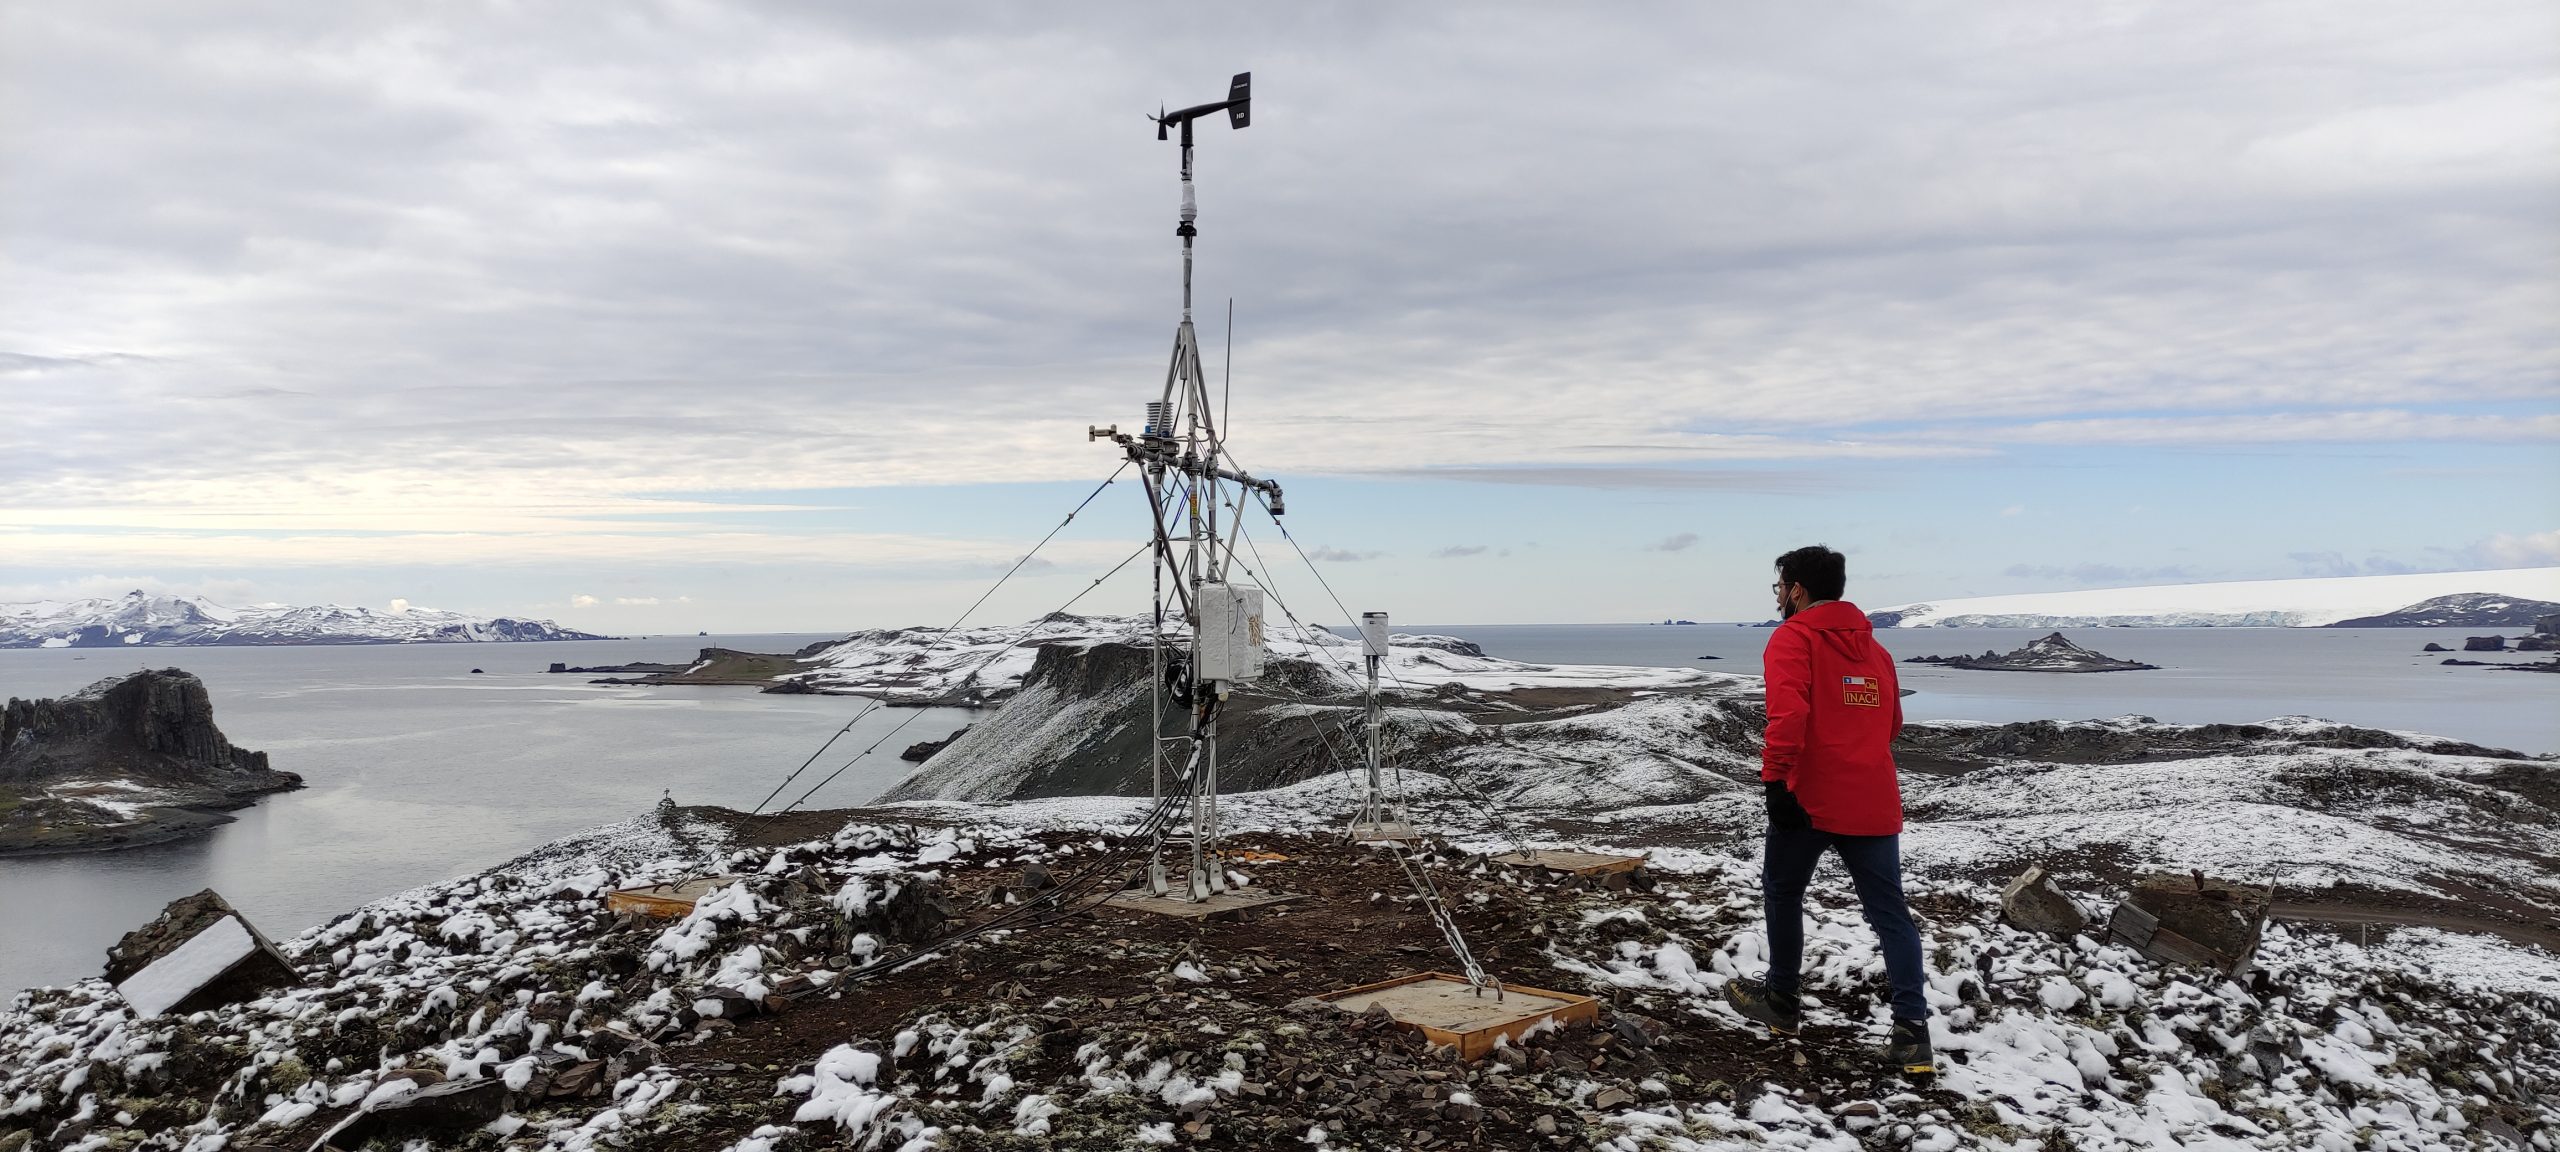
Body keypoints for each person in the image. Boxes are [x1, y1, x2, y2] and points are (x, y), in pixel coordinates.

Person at [1724, 545, 1934, 1074]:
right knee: (1890, 914)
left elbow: (1788, 715)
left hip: (1808, 800)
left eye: (1779, 588)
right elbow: (1891, 726)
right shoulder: (1876, 651)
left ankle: (1782, 1000)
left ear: (1795, 589)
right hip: (1873, 799)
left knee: (1783, 891)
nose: (1777, 598)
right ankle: (1913, 1035)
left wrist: (1775, 781)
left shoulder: (1792, 638)